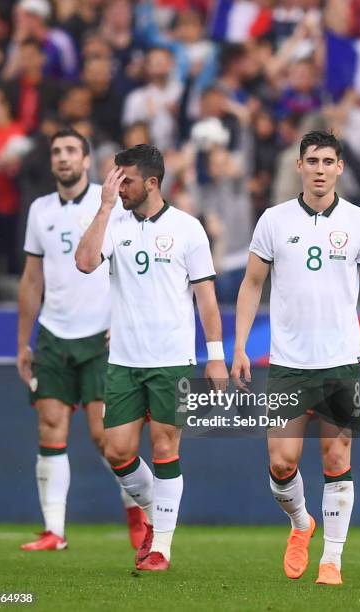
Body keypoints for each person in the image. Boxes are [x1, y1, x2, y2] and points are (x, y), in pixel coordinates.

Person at [232, 131, 360, 585]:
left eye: (328, 161)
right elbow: (251, 284)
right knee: (282, 463)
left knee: (336, 457)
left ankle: (332, 560)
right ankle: (302, 523)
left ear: (340, 167)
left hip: (341, 361)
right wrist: (240, 346)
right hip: (288, 362)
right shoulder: (274, 220)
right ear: (300, 166)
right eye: (312, 161)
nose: (320, 168)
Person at [75, 144, 228, 571]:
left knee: (165, 447)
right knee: (116, 450)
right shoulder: (112, 223)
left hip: (173, 359)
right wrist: (104, 209)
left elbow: (207, 299)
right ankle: (155, 513)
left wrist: (215, 357)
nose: (117, 187)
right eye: (114, 179)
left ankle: (160, 546)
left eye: (124, 180)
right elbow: (85, 262)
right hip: (124, 359)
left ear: (152, 183)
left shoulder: (188, 229)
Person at [17, 127, 147, 552]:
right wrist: (24, 341)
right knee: (50, 426)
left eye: (72, 150)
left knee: (106, 437)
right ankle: (55, 531)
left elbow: (134, 265)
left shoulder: (109, 204)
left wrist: (126, 318)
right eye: (57, 151)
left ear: (88, 161)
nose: (63, 157)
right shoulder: (40, 210)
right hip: (54, 335)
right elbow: (32, 278)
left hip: (100, 337)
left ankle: (136, 507)